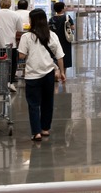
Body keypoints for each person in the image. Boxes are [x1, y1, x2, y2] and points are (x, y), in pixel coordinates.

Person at [18, 9, 66, 141]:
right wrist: (62, 72)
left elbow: (21, 55)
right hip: (48, 74)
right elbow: (60, 56)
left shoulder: (26, 37)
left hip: (32, 75)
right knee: (47, 102)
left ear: (32, 21)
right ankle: (45, 129)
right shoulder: (52, 35)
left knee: (33, 104)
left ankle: (36, 132)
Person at [0, 0, 23, 92]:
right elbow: (20, 29)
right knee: (11, 64)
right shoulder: (15, 15)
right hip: (11, 43)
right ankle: (10, 82)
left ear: (0, 4)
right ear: (10, 4)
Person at [49, 1, 74, 72]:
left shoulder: (52, 19)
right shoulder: (67, 17)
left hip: (55, 40)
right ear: (62, 9)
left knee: (55, 55)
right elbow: (73, 27)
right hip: (65, 40)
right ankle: (63, 73)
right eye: (64, 6)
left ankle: (56, 72)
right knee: (65, 56)